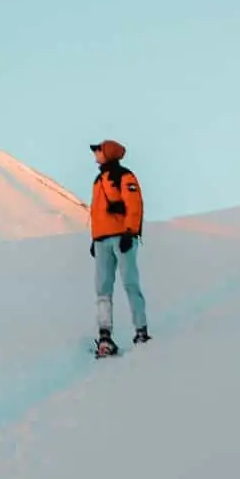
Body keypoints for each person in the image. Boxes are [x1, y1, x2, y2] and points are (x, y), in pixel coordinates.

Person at [89, 140, 149, 357]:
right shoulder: (99, 180)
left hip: (121, 237)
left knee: (130, 283)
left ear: (108, 153)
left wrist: (130, 231)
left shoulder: (124, 177)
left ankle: (141, 331)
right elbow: (97, 212)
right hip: (103, 239)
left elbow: (134, 205)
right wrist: (94, 238)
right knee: (102, 289)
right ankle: (105, 336)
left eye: (98, 150)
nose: (95, 154)